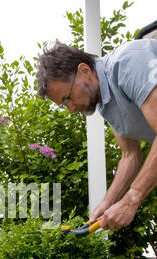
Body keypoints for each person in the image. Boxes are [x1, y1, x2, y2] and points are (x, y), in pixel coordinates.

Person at [36, 38, 157, 231]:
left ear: (84, 70)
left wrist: (131, 199)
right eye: (64, 105)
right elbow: (130, 155)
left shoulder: (128, 64)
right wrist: (108, 202)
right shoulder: (105, 103)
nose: (71, 109)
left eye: (68, 98)